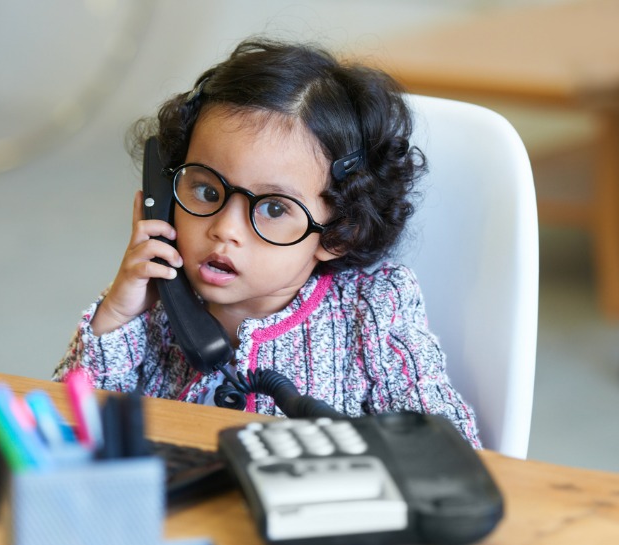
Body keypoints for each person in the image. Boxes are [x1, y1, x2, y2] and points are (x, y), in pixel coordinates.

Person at [53, 38, 481, 448]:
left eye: (274, 209)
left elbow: (446, 449)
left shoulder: (373, 313)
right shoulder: (148, 308)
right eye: (206, 191)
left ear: (340, 232)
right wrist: (115, 317)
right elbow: (62, 436)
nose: (226, 230)